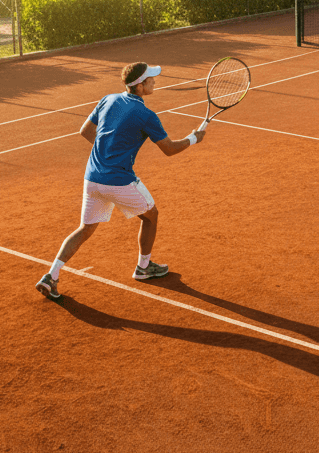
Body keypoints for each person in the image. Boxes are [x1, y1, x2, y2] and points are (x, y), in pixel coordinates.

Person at [36, 62, 206, 300]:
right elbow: (168, 149)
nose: (154, 82)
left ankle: (51, 276)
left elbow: (85, 131)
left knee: (85, 229)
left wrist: (107, 153)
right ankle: (144, 268)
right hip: (119, 181)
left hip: (92, 178)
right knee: (151, 216)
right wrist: (193, 138)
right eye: (151, 80)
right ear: (140, 85)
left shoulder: (108, 99)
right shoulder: (147, 115)